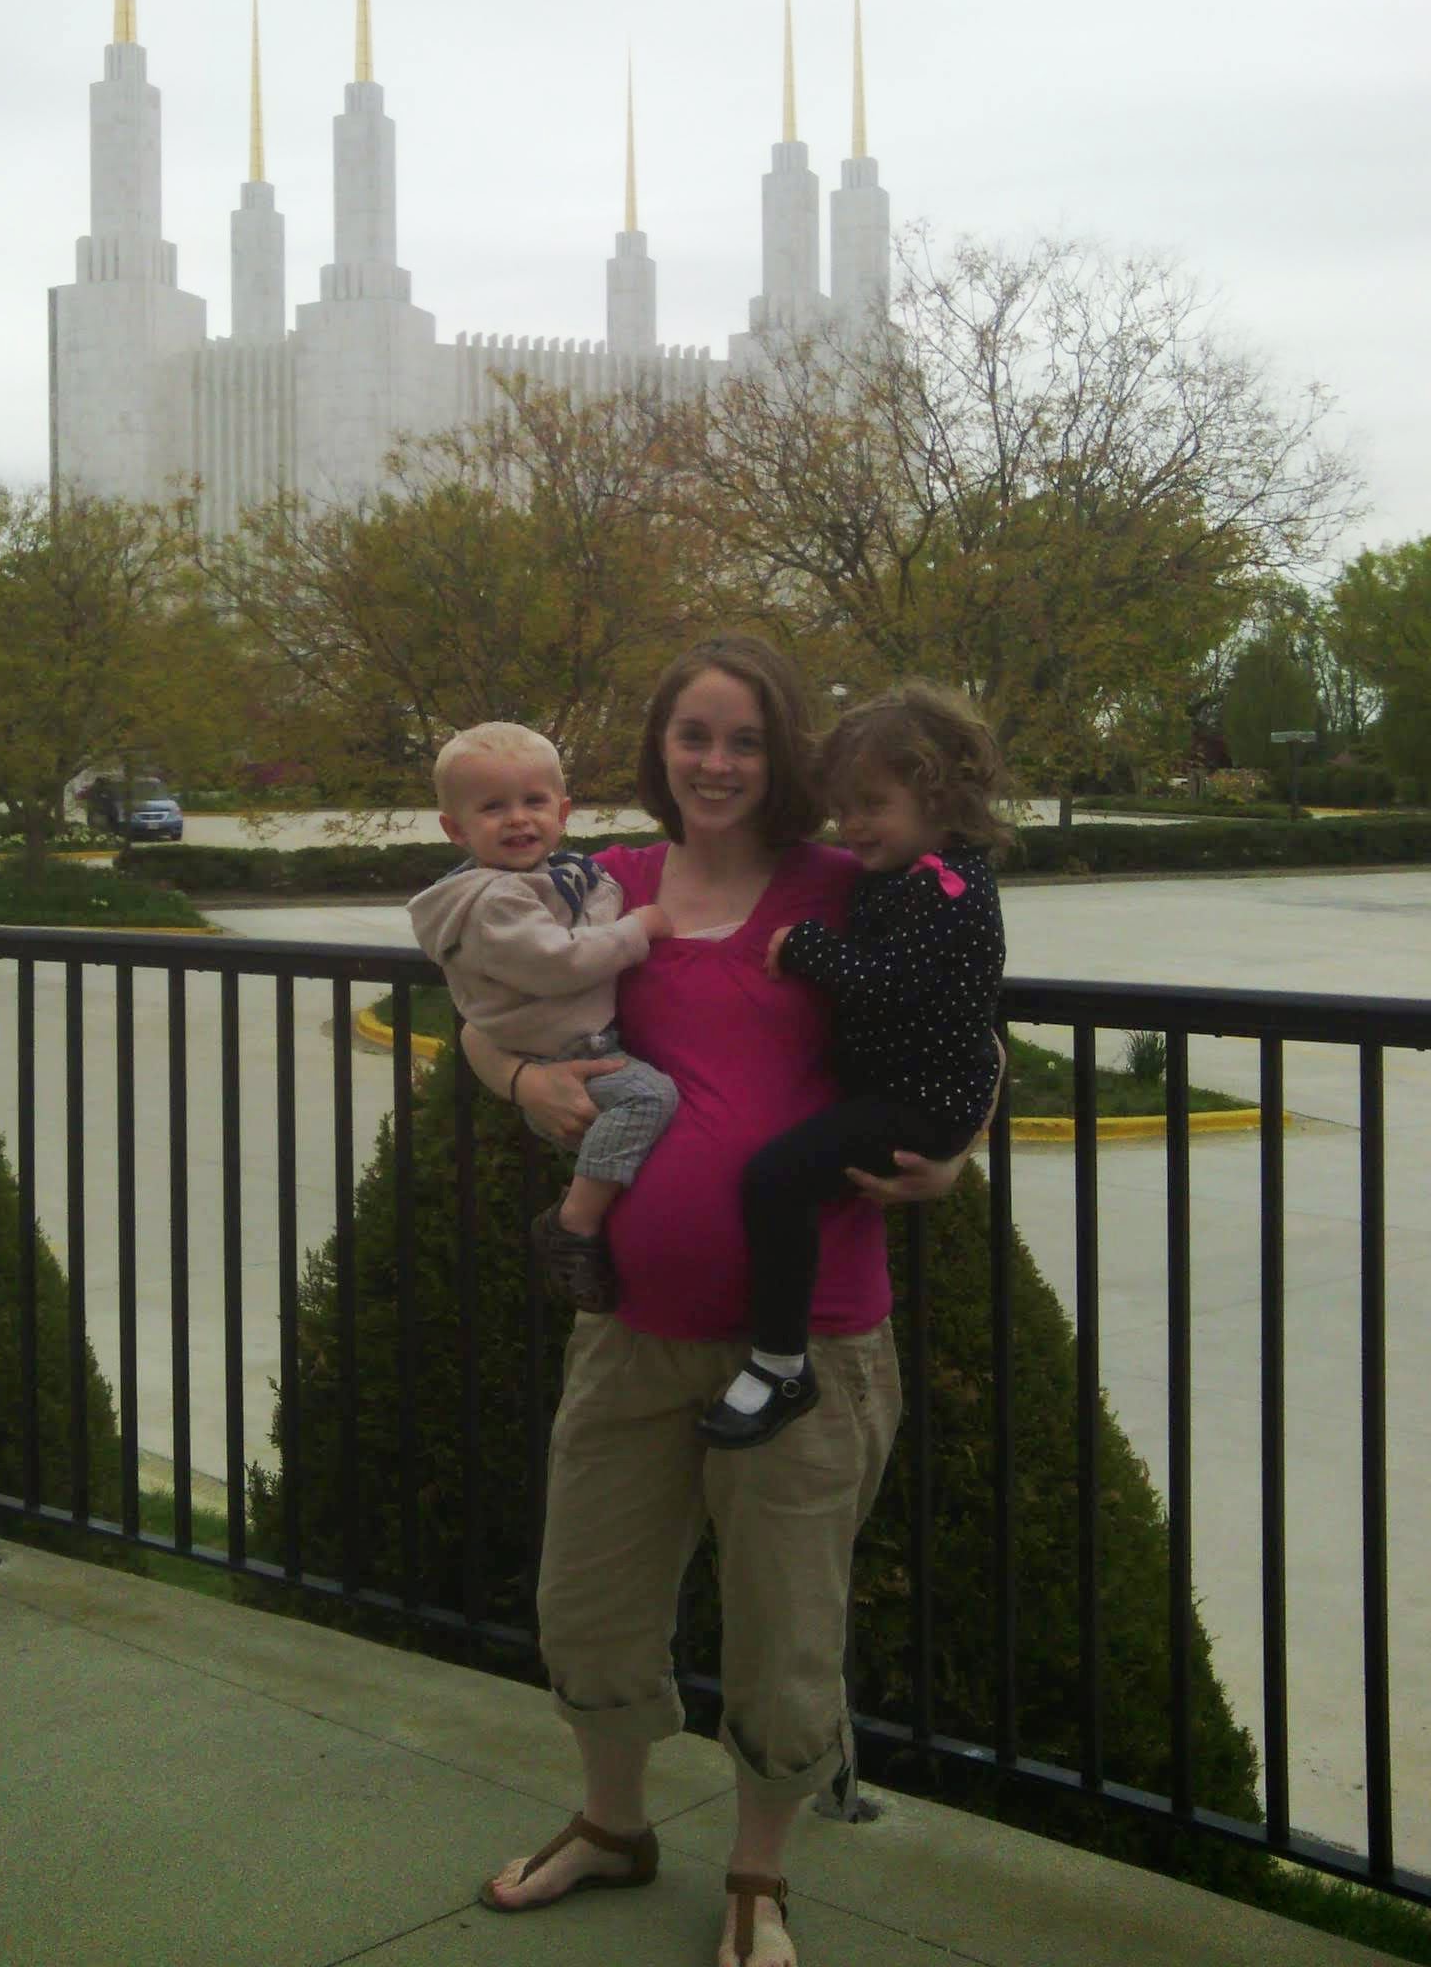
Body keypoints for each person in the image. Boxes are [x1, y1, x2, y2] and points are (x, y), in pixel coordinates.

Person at [463, 636, 986, 1967]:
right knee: (589, 1598)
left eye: (745, 739)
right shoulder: (602, 882)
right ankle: (614, 1826)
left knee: (787, 1628)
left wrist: (961, 1147)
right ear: (661, 748)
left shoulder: (843, 881)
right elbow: (483, 1004)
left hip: (809, 1339)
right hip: (633, 1325)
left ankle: (759, 1875)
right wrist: (520, 1086)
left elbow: (968, 1021)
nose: (716, 762)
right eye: (694, 734)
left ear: (787, 754)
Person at [698, 682, 1008, 1452]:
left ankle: (779, 1363)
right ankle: (777, 1356)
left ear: (942, 797)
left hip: (919, 1101)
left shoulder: (947, 889)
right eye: (845, 806)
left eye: (872, 804)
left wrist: (806, 945)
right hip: (906, 1091)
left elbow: (889, 982)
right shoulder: (911, 876)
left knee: (775, 1178)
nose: (853, 825)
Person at [409, 722, 676, 1312]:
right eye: (493, 807)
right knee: (650, 1099)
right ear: (455, 829)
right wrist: (641, 929)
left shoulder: (563, 876)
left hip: (571, 1047)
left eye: (533, 801)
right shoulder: (496, 900)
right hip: (559, 1055)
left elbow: (588, 910)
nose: (517, 819)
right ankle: (574, 1223)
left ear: (563, 811)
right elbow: (558, 962)